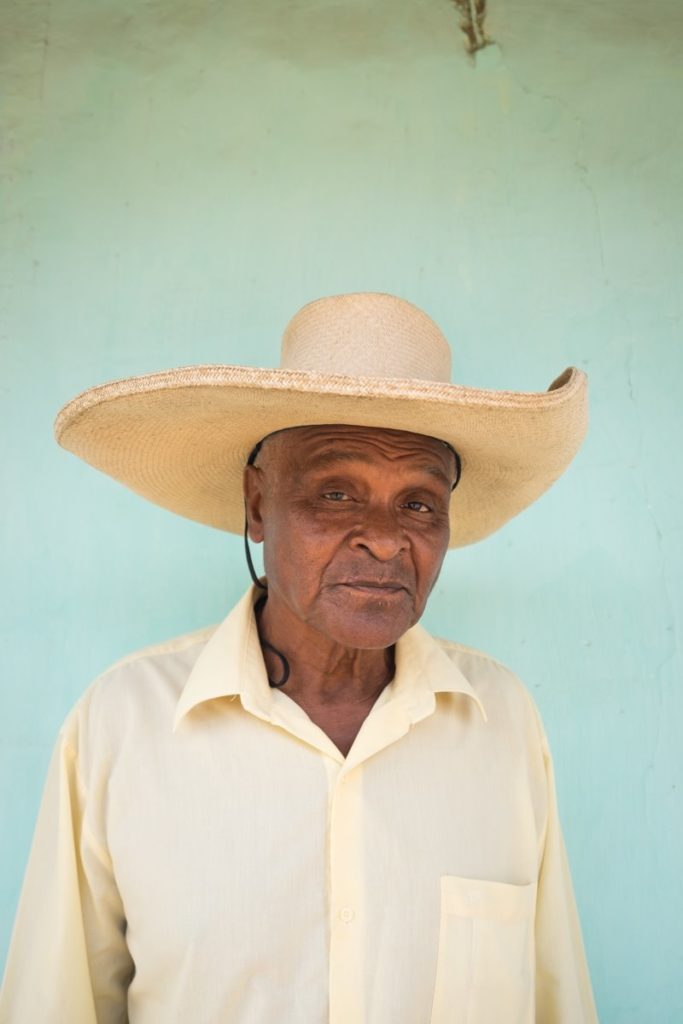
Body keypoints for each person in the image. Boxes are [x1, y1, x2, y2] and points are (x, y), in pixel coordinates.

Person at [0, 293, 598, 1023]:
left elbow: (553, 999)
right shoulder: (123, 723)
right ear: (257, 504)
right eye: (336, 491)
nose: (384, 539)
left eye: (418, 503)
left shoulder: (501, 720)